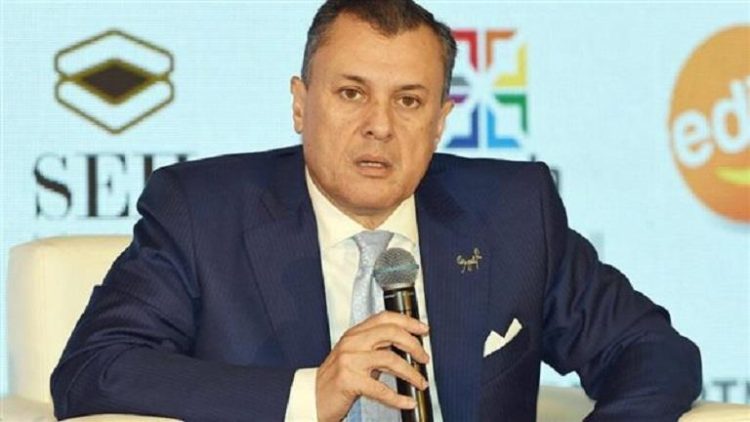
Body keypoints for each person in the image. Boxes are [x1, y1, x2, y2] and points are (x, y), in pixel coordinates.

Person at [51, 0, 702, 421]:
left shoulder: (511, 212)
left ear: (440, 120)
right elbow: (92, 370)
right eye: (351, 94)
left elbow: (651, 350)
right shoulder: (201, 213)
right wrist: (311, 393)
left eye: (409, 101)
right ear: (301, 104)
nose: (380, 126)